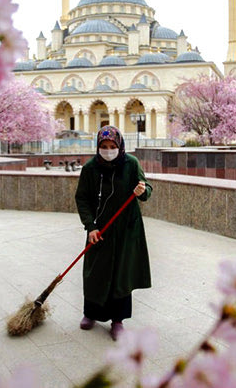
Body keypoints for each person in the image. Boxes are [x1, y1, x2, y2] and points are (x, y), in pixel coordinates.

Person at [74, 125, 152, 341]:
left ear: (120, 146)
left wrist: (143, 190)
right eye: (104, 146)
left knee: (121, 274)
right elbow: (82, 199)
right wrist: (90, 226)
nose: (108, 150)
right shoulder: (90, 168)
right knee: (95, 273)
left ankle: (117, 320)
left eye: (112, 146)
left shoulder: (131, 164)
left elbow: (147, 190)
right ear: (97, 147)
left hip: (126, 230)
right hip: (99, 230)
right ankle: (90, 313)